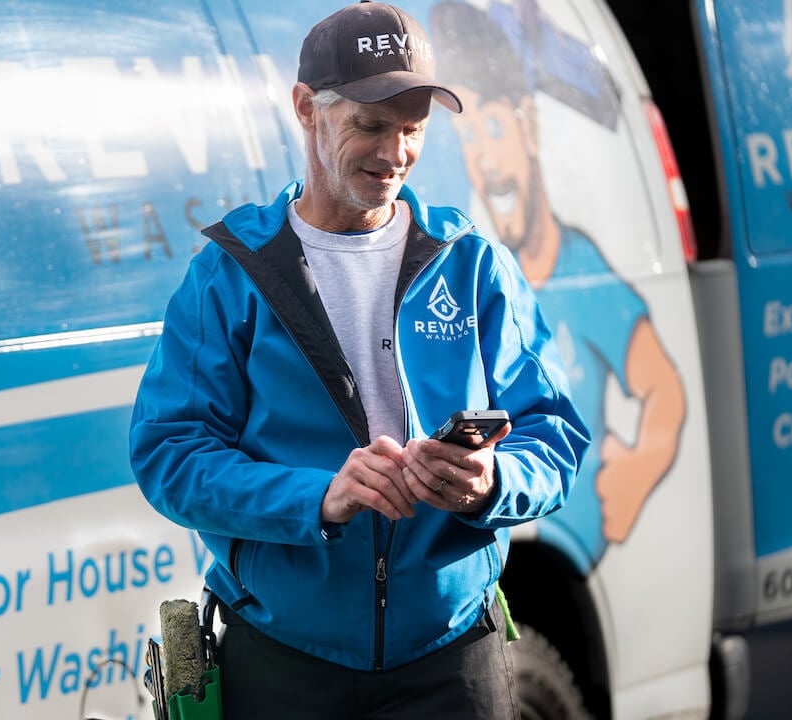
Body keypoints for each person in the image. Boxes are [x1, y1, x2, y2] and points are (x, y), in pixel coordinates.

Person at [129, 2, 590, 718]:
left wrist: (490, 480)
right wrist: (317, 497)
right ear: (306, 109)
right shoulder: (230, 275)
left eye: (413, 130)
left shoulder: (472, 265)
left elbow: (554, 438)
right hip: (284, 663)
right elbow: (170, 456)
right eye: (370, 126)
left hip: (452, 658)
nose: (394, 154)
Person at [430, 1, 684, 562]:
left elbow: (663, 387)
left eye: (493, 129)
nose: (485, 160)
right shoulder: (466, 263)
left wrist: (639, 468)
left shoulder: (580, 266)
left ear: (530, 125)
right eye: (469, 140)